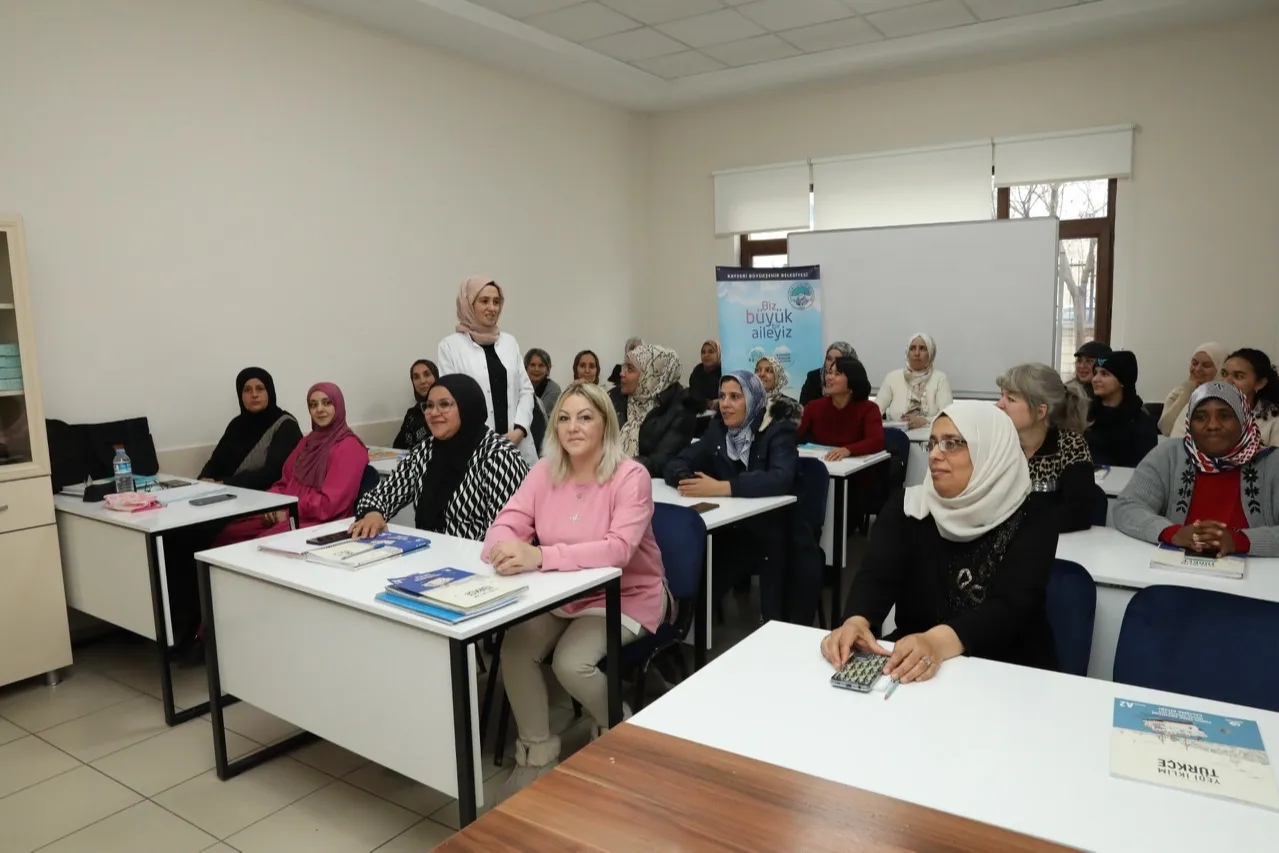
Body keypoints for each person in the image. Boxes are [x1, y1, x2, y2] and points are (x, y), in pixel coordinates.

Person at [483, 382, 668, 798]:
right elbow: (507, 521)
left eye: (585, 417)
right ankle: (536, 753)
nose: (573, 427)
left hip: (625, 594)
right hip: (562, 592)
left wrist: (538, 556)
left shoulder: (630, 476)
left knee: (571, 662)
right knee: (515, 649)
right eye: (564, 418)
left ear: (606, 424)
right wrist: (500, 548)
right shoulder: (544, 472)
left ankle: (614, 721)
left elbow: (618, 551)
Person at [819, 401, 1059, 683]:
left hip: (1009, 670)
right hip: (916, 661)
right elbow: (876, 577)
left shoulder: (1033, 517)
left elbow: (1011, 607)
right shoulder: (909, 506)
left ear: (990, 451)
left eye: (951, 444)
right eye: (932, 443)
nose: (934, 454)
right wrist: (857, 621)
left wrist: (936, 642)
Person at [665, 372, 819, 624]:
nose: (725, 404)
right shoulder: (718, 430)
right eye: (722, 396)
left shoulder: (777, 430)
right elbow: (678, 461)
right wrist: (687, 480)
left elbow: (780, 478)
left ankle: (776, 627)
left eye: (735, 397)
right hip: (737, 529)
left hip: (781, 527)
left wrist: (724, 487)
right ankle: (685, 628)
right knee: (694, 552)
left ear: (753, 399)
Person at [351, 375, 528, 541]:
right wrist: (373, 513)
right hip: (429, 553)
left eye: (444, 404)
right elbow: (380, 495)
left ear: (467, 407)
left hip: (482, 558)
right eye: (429, 405)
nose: (433, 413)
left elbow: (508, 532)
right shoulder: (425, 451)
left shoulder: (498, 455)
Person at [1115, 382, 1279, 557]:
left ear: (1244, 420)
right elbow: (1128, 506)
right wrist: (1172, 532)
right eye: (1200, 417)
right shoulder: (1169, 455)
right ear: (1189, 424)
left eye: (1224, 416)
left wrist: (1239, 541)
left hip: (1255, 571)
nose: (1212, 425)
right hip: (1174, 568)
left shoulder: (1272, 463)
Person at [214, 383, 367, 544]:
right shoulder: (307, 442)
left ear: (338, 406)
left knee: (261, 543)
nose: (319, 409)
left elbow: (330, 504)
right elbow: (284, 481)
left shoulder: (349, 447)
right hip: (287, 510)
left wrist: (289, 511)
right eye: (313, 405)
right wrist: (272, 504)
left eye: (327, 403)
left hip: (320, 519)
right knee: (230, 533)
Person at [437, 277, 536, 466]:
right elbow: (450, 401)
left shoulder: (509, 342)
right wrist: (486, 440)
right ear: (468, 304)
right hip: (475, 447)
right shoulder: (450, 347)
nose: (492, 308)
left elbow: (526, 390)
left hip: (517, 443)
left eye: (496, 302)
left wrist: (520, 430)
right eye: (484, 301)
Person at [996, 363, 1094, 533]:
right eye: (1001, 395)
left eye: (1010, 399)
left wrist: (1017, 524)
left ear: (1040, 412)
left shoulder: (1070, 445)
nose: (999, 404)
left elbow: (1079, 514)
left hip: (1057, 543)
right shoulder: (999, 443)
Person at [198, 367, 302, 490]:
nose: (254, 395)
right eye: (247, 390)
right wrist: (203, 480)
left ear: (269, 391)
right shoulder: (236, 424)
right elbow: (216, 461)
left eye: (260, 388)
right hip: (224, 493)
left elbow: (275, 473)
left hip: (265, 496)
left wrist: (224, 483)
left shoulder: (286, 425)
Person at [609, 343, 698, 476]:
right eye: (624, 366)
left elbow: (659, 462)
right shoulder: (617, 399)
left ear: (651, 376)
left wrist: (617, 466)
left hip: (649, 481)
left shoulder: (682, 410)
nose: (622, 373)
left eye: (630, 369)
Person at [797, 356, 885, 463]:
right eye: (829, 373)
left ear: (852, 381)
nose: (829, 377)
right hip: (823, 463)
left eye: (837, 374)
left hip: (856, 467)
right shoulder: (813, 407)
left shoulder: (869, 409)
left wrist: (848, 450)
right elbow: (795, 434)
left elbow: (876, 441)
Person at [1084, 350, 1159, 467]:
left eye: (1104, 374)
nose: (1094, 379)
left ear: (1123, 380)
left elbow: (1144, 468)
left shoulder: (1142, 424)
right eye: (1095, 373)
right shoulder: (1084, 415)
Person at [875, 333, 954, 429]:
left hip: (929, 435)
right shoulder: (892, 377)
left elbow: (948, 416)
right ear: (907, 352)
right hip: (898, 435)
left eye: (922, 349)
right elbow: (874, 412)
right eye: (912, 348)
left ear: (930, 353)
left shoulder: (940, 379)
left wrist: (925, 421)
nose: (916, 353)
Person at [1157, 342, 1230, 437]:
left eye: (1206, 365)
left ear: (1221, 369)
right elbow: (1165, 429)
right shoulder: (1178, 392)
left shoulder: (1228, 398)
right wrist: (1187, 394)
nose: (1197, 369)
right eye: (1194, 363)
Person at [1222, 348, 1279, 446]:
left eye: (1238, 376)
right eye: (1224, 374)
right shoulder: (1203, 408)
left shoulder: (1274, 421)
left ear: (1260, 383)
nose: (1227, 381)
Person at [392, 359, 438, 450]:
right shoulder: (412, 414)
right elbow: (398, 447)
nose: (422, 381)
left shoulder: (447, 410)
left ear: (436, 377)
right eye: (416, 377)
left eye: (427, 374)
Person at [800, 341, 857, 406]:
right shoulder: (813, 377)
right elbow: (804, 406)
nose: (832, 363)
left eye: (838, 360)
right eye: (829, 359)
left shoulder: (856, 379)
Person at [755, 355, 802, 424]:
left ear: (778, 376)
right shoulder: (747, 403)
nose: (762, 374)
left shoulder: (790, 406)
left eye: (768, 370)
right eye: (758, 370)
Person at [687, 339, 722, 412]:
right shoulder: (697, 372)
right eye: (703, 352)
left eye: (711, 352)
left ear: (719, 354)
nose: (706, 355)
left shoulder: (724, 373)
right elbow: (693, 394)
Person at [524, 348, 561, 414]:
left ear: (547, 370)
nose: (536, 369)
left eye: (541, 365)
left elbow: (541, 414)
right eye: (532, 365)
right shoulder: (519, 386)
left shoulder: (554, 389)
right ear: (526, 368)